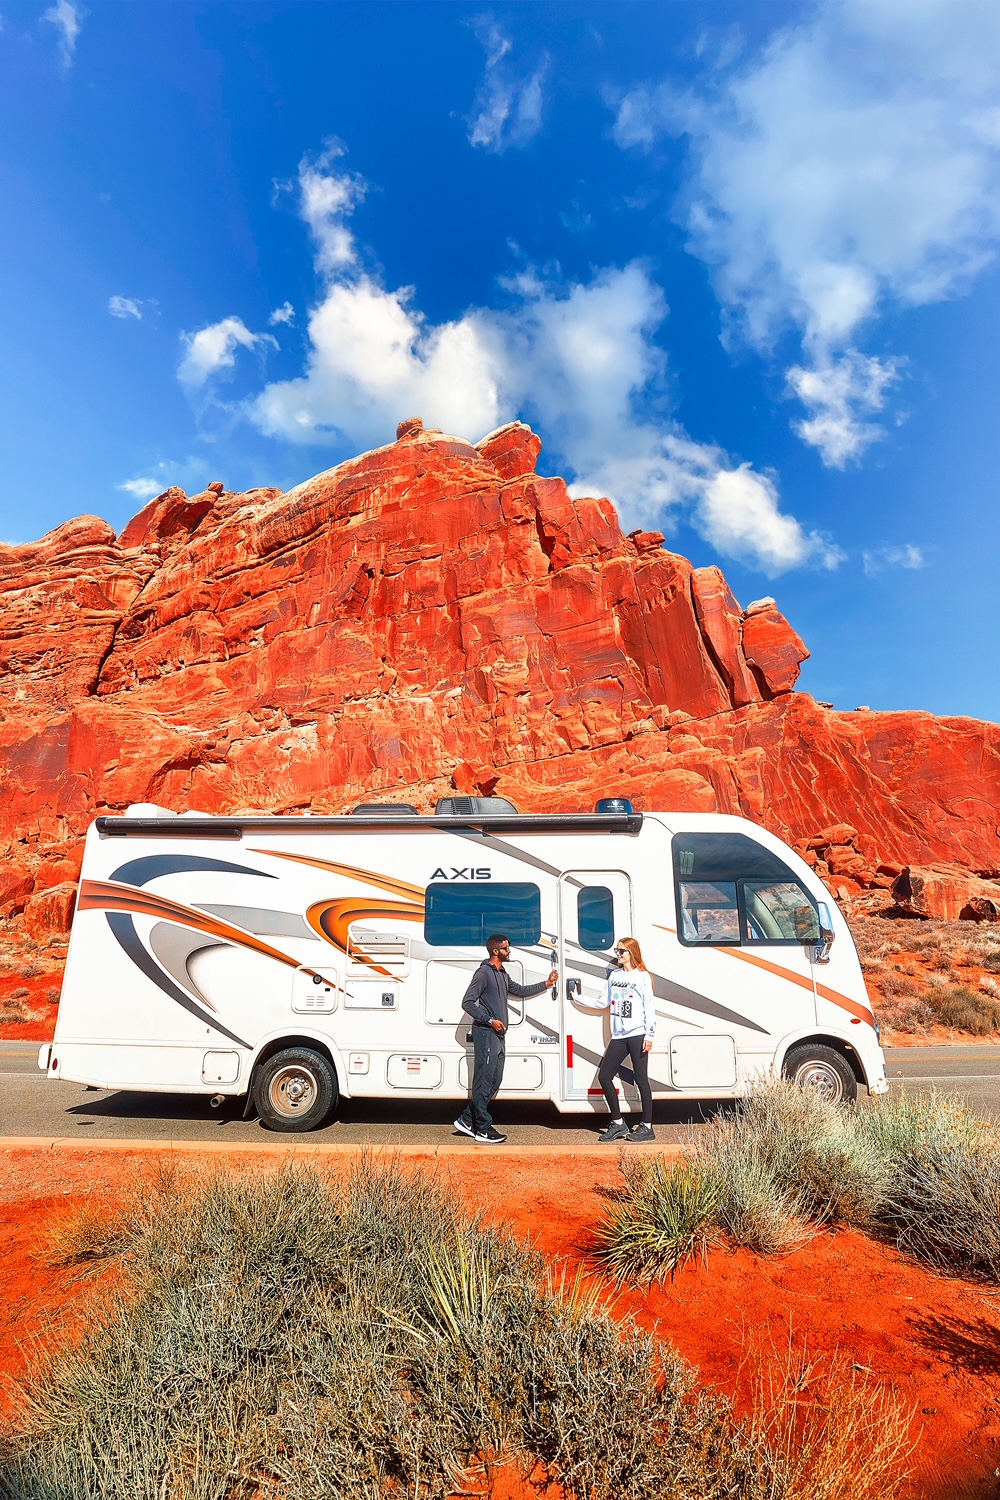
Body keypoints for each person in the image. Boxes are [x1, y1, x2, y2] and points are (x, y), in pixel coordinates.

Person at [455, 934, 558, 1144]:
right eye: (506, 949)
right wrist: (489, 1020)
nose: (509, 952)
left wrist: (546, 984)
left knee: (495, 1080)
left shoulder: (502, 973)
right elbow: (467, 1002)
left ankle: (466, 1119)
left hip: (498, 1035)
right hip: (486, 1032)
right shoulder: (483, 973)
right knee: (484, 1081)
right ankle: (482, 1128)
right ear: (496, 951)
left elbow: (519, 990)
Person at [593, 936, 656, 1143]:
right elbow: (602, 1001)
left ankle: (647, 1126)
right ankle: (618, 1123)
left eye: (621, 951)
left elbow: (649, 1007)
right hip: (619, 1035)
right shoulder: (614, 975)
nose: (618, 955)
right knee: (605, 1076)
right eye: (617, 951)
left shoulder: (643, 976)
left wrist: (649, 1034)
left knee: (640, 1080)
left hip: (638, 1034)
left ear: (631, 953)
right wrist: (575, 997)